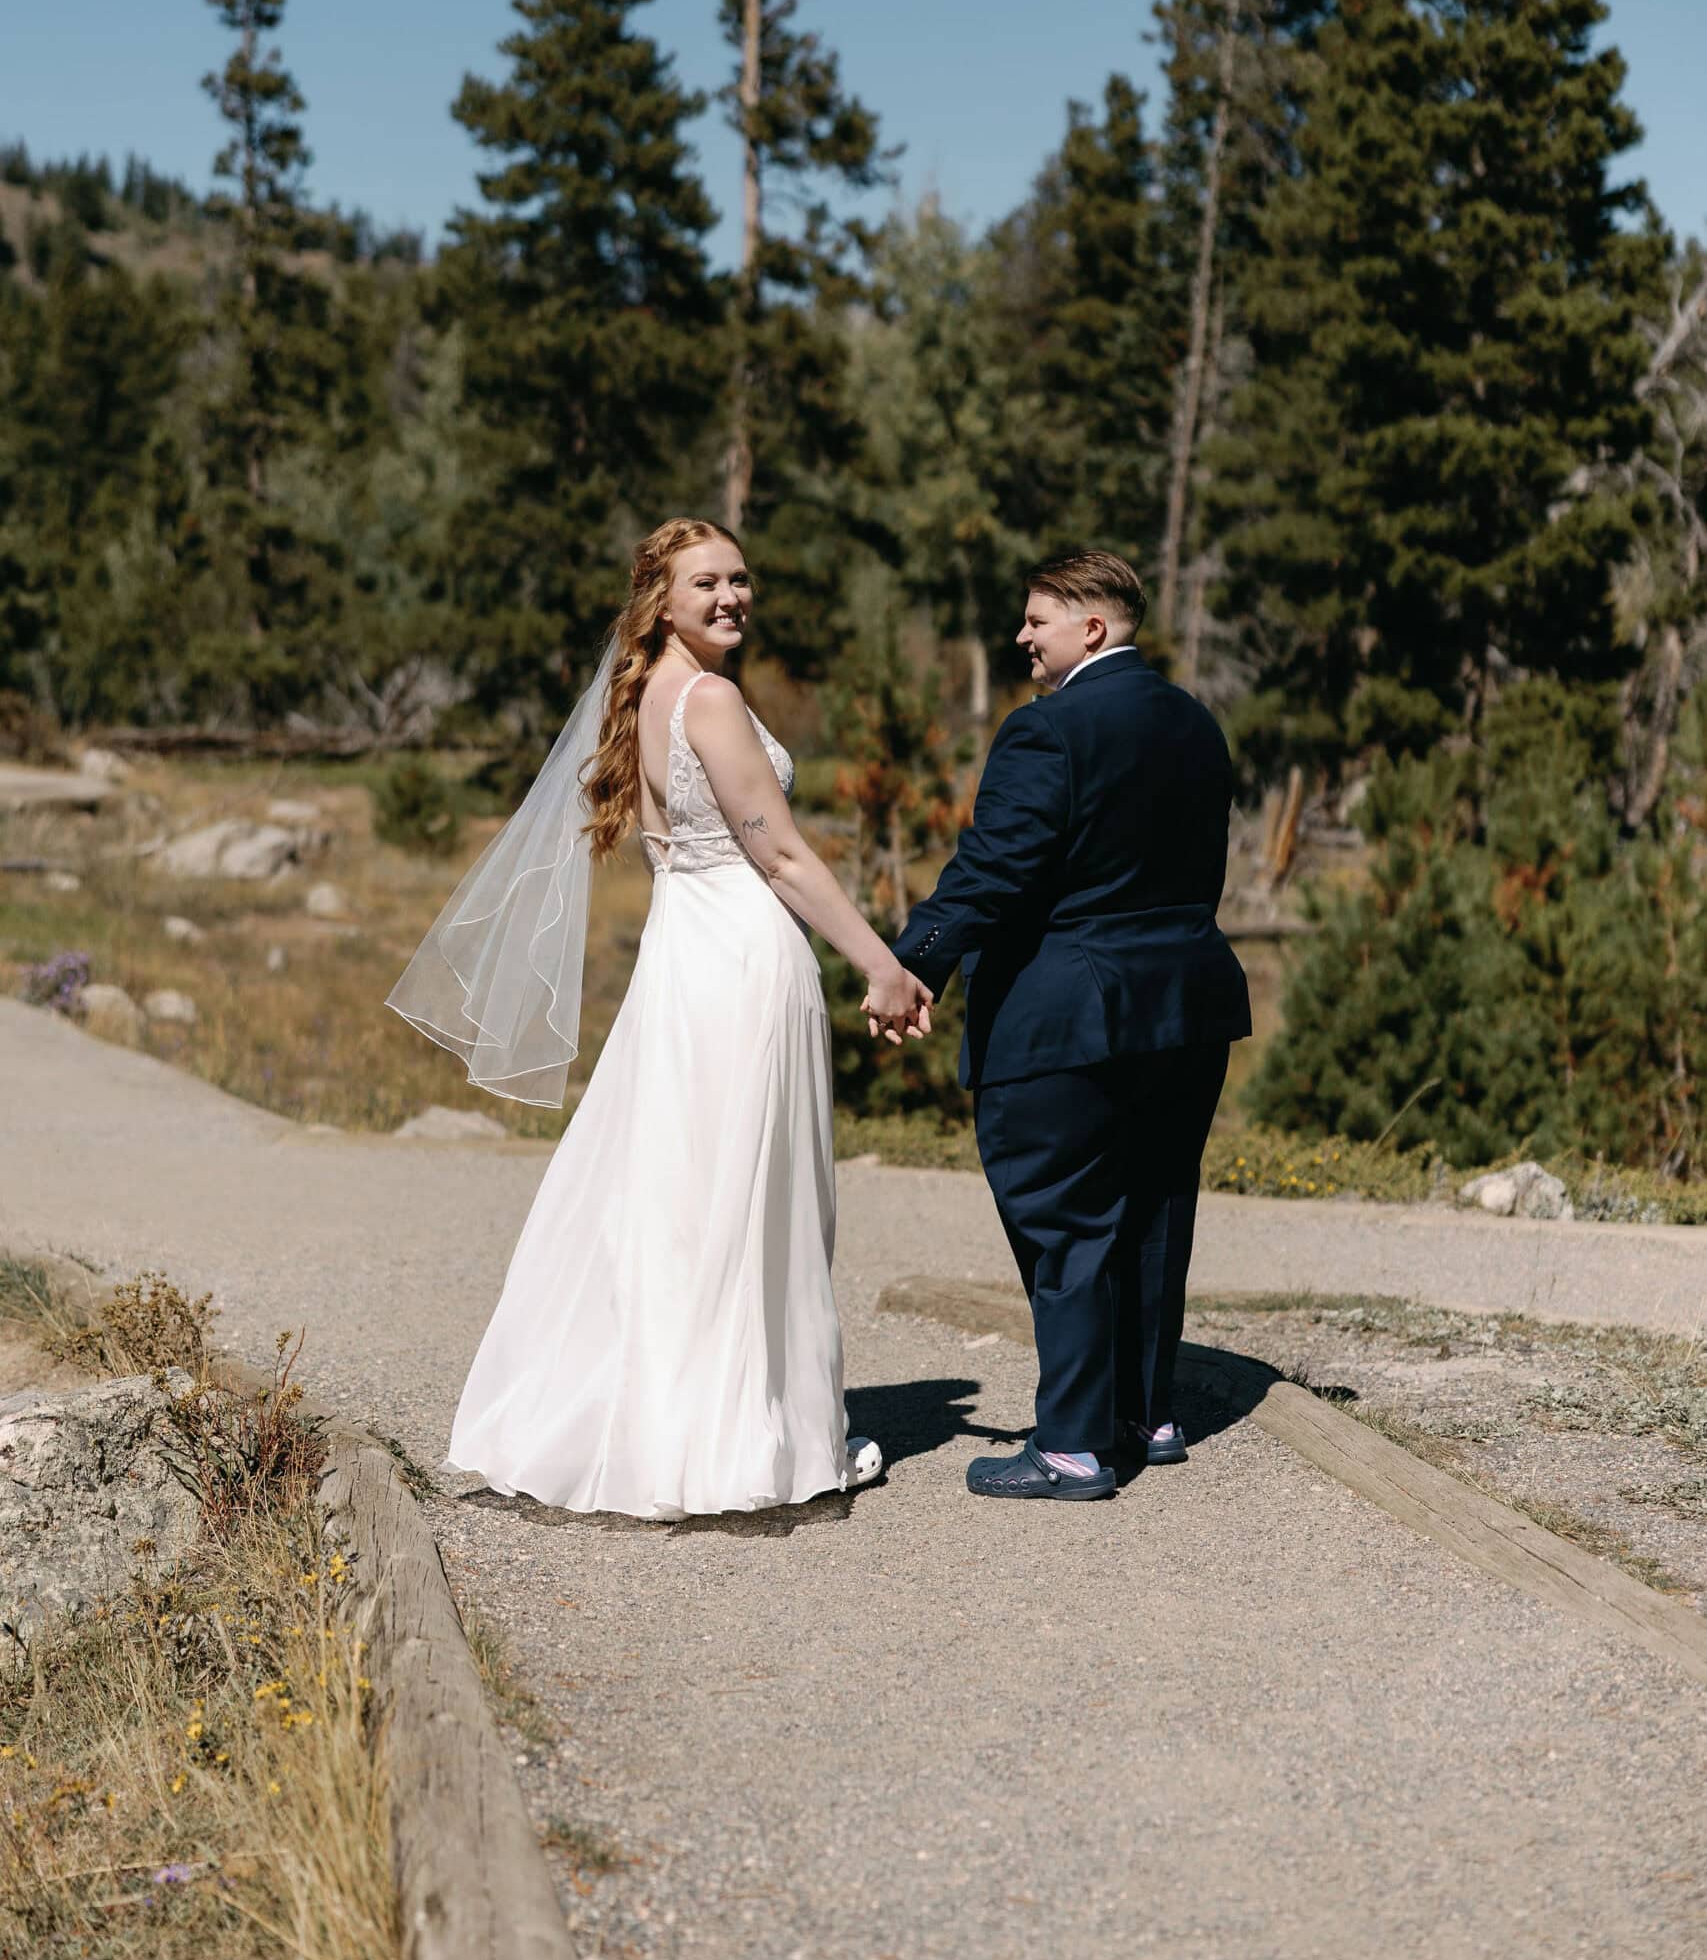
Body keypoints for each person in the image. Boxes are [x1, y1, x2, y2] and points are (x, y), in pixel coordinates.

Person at [387, 517, 933, 1520]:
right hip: (735, 957)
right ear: (662, 599)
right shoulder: (711, 699)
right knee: (740, 1189)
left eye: (740, 578)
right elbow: (781, 857)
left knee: (686, 1192)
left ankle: (677, 1427)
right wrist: (883, 965)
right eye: (706, 583)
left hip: (686, 958)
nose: (732, 597)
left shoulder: (648, 696)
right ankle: (744, 1434)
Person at [892, 550, 1251, 1500]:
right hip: (1185, 1002)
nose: (1022, 635)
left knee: (1064, 1221)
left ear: (1092, 628)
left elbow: (995, 869)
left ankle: (1075, 1448)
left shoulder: (1045, 732)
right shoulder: (1196, 722)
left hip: (1069, 1012)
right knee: (1154, 1208)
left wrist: (910, 961)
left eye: (1037, 619)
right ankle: (1147, 1415)